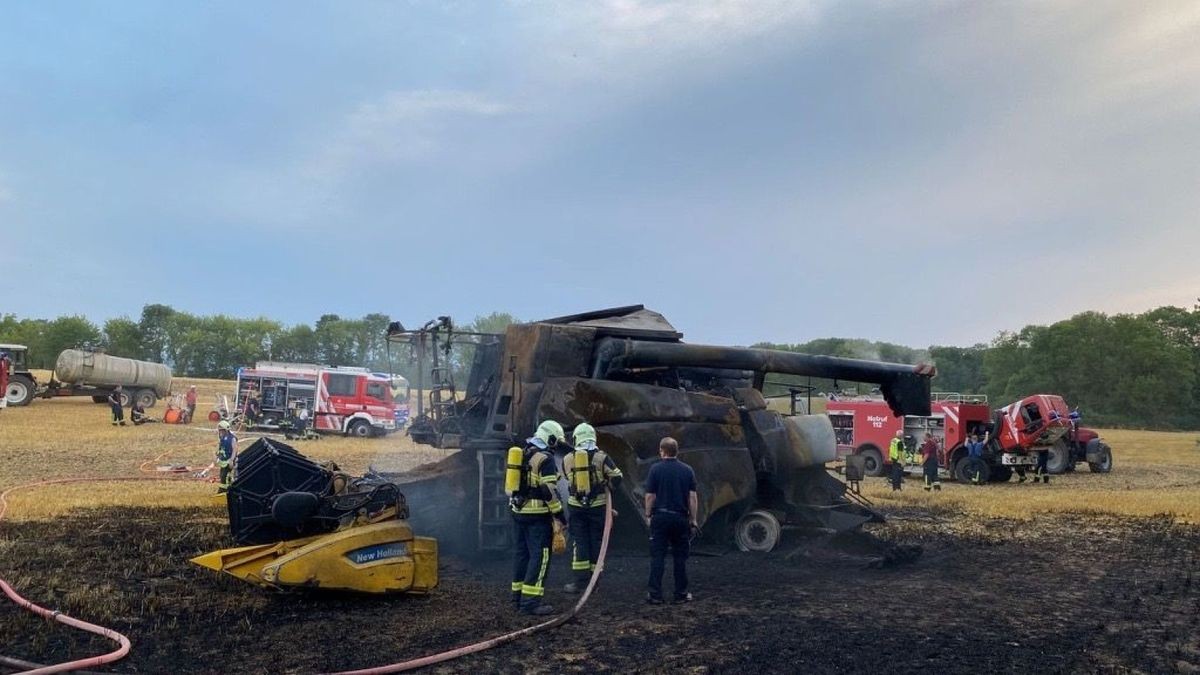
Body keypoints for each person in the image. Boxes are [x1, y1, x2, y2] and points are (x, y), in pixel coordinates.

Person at [509, 420, 568, 616]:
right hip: (537, 516)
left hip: (518, 513)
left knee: (522, 555)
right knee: (540, 557)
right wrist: (559, 514)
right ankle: (530, 603)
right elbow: (548, 489)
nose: (555, 446)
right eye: (555, 441)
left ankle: (517, 598)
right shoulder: (545, 459)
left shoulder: (523, 453)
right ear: (550, 438)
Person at [562, 422, 623, 594]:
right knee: (596, 542)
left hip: (576, 507)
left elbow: (567, 477)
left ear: (576, 438)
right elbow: (617, 476)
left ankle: (580, 582)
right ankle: (595, 582)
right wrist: (607, 485)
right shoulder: (601, 457)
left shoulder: (567, 458)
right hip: (598, 506)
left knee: (579, 542)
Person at [644, 436, 697, 605]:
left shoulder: (655, 469)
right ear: (676, 451)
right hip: (680, 518)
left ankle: (655, 594)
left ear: (662, 451)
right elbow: (692, 497)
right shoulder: (687, 470)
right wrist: (693, 519)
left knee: (657, 557)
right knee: (680, 557)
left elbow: (650, 496)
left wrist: (648, 515)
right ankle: (681, 594)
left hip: (660, 517)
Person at [216, 420, 237, 492]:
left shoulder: (232, 439)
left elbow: (234, 450)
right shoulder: (222, 438)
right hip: (223, 461)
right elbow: (221, 448)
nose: (220, 432)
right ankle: (228, 489)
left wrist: (231, 460)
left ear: (225, 430)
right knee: (222, 475)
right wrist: (217, 455)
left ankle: (223, 491)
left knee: (224, 476)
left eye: (221, 430)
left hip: (229, 461)